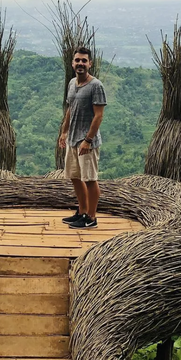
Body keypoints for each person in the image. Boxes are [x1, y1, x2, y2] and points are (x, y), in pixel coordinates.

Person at [58, 46, 107, 229]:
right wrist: (64, 132)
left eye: (84, 61)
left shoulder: (96, 86)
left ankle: (91, 218)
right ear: (73, 63)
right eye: (77, 60)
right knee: (75, 177)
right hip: (72, 139)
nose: (80, 63)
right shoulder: (72, 83)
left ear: (90, 64)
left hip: (87, 142)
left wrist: (87, 140)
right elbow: (71, 109)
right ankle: (82, 212)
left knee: (90, 179)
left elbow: (98, 115)